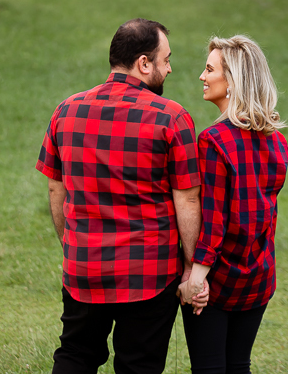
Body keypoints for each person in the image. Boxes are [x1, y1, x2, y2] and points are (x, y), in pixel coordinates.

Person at [36, 18, 202, 374]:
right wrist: (190, 267)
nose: (170, 68)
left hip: (83, 269)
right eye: (166, 59)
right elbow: (187, 199)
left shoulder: (66, 110)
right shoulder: (171, 118)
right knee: (138, 366)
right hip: (149, 273)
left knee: (75, 354)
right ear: (144, 63)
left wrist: (72, 245)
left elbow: (55, 186)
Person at [178, 35, 288, 374]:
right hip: (259, 276)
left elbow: (214, 221)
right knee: (239, 364)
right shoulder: (278, 141)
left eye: (209, 69)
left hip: (218, 282)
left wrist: (196, 280)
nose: (202, 75)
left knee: (209, 369)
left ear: (232, 82)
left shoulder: (213, 142)